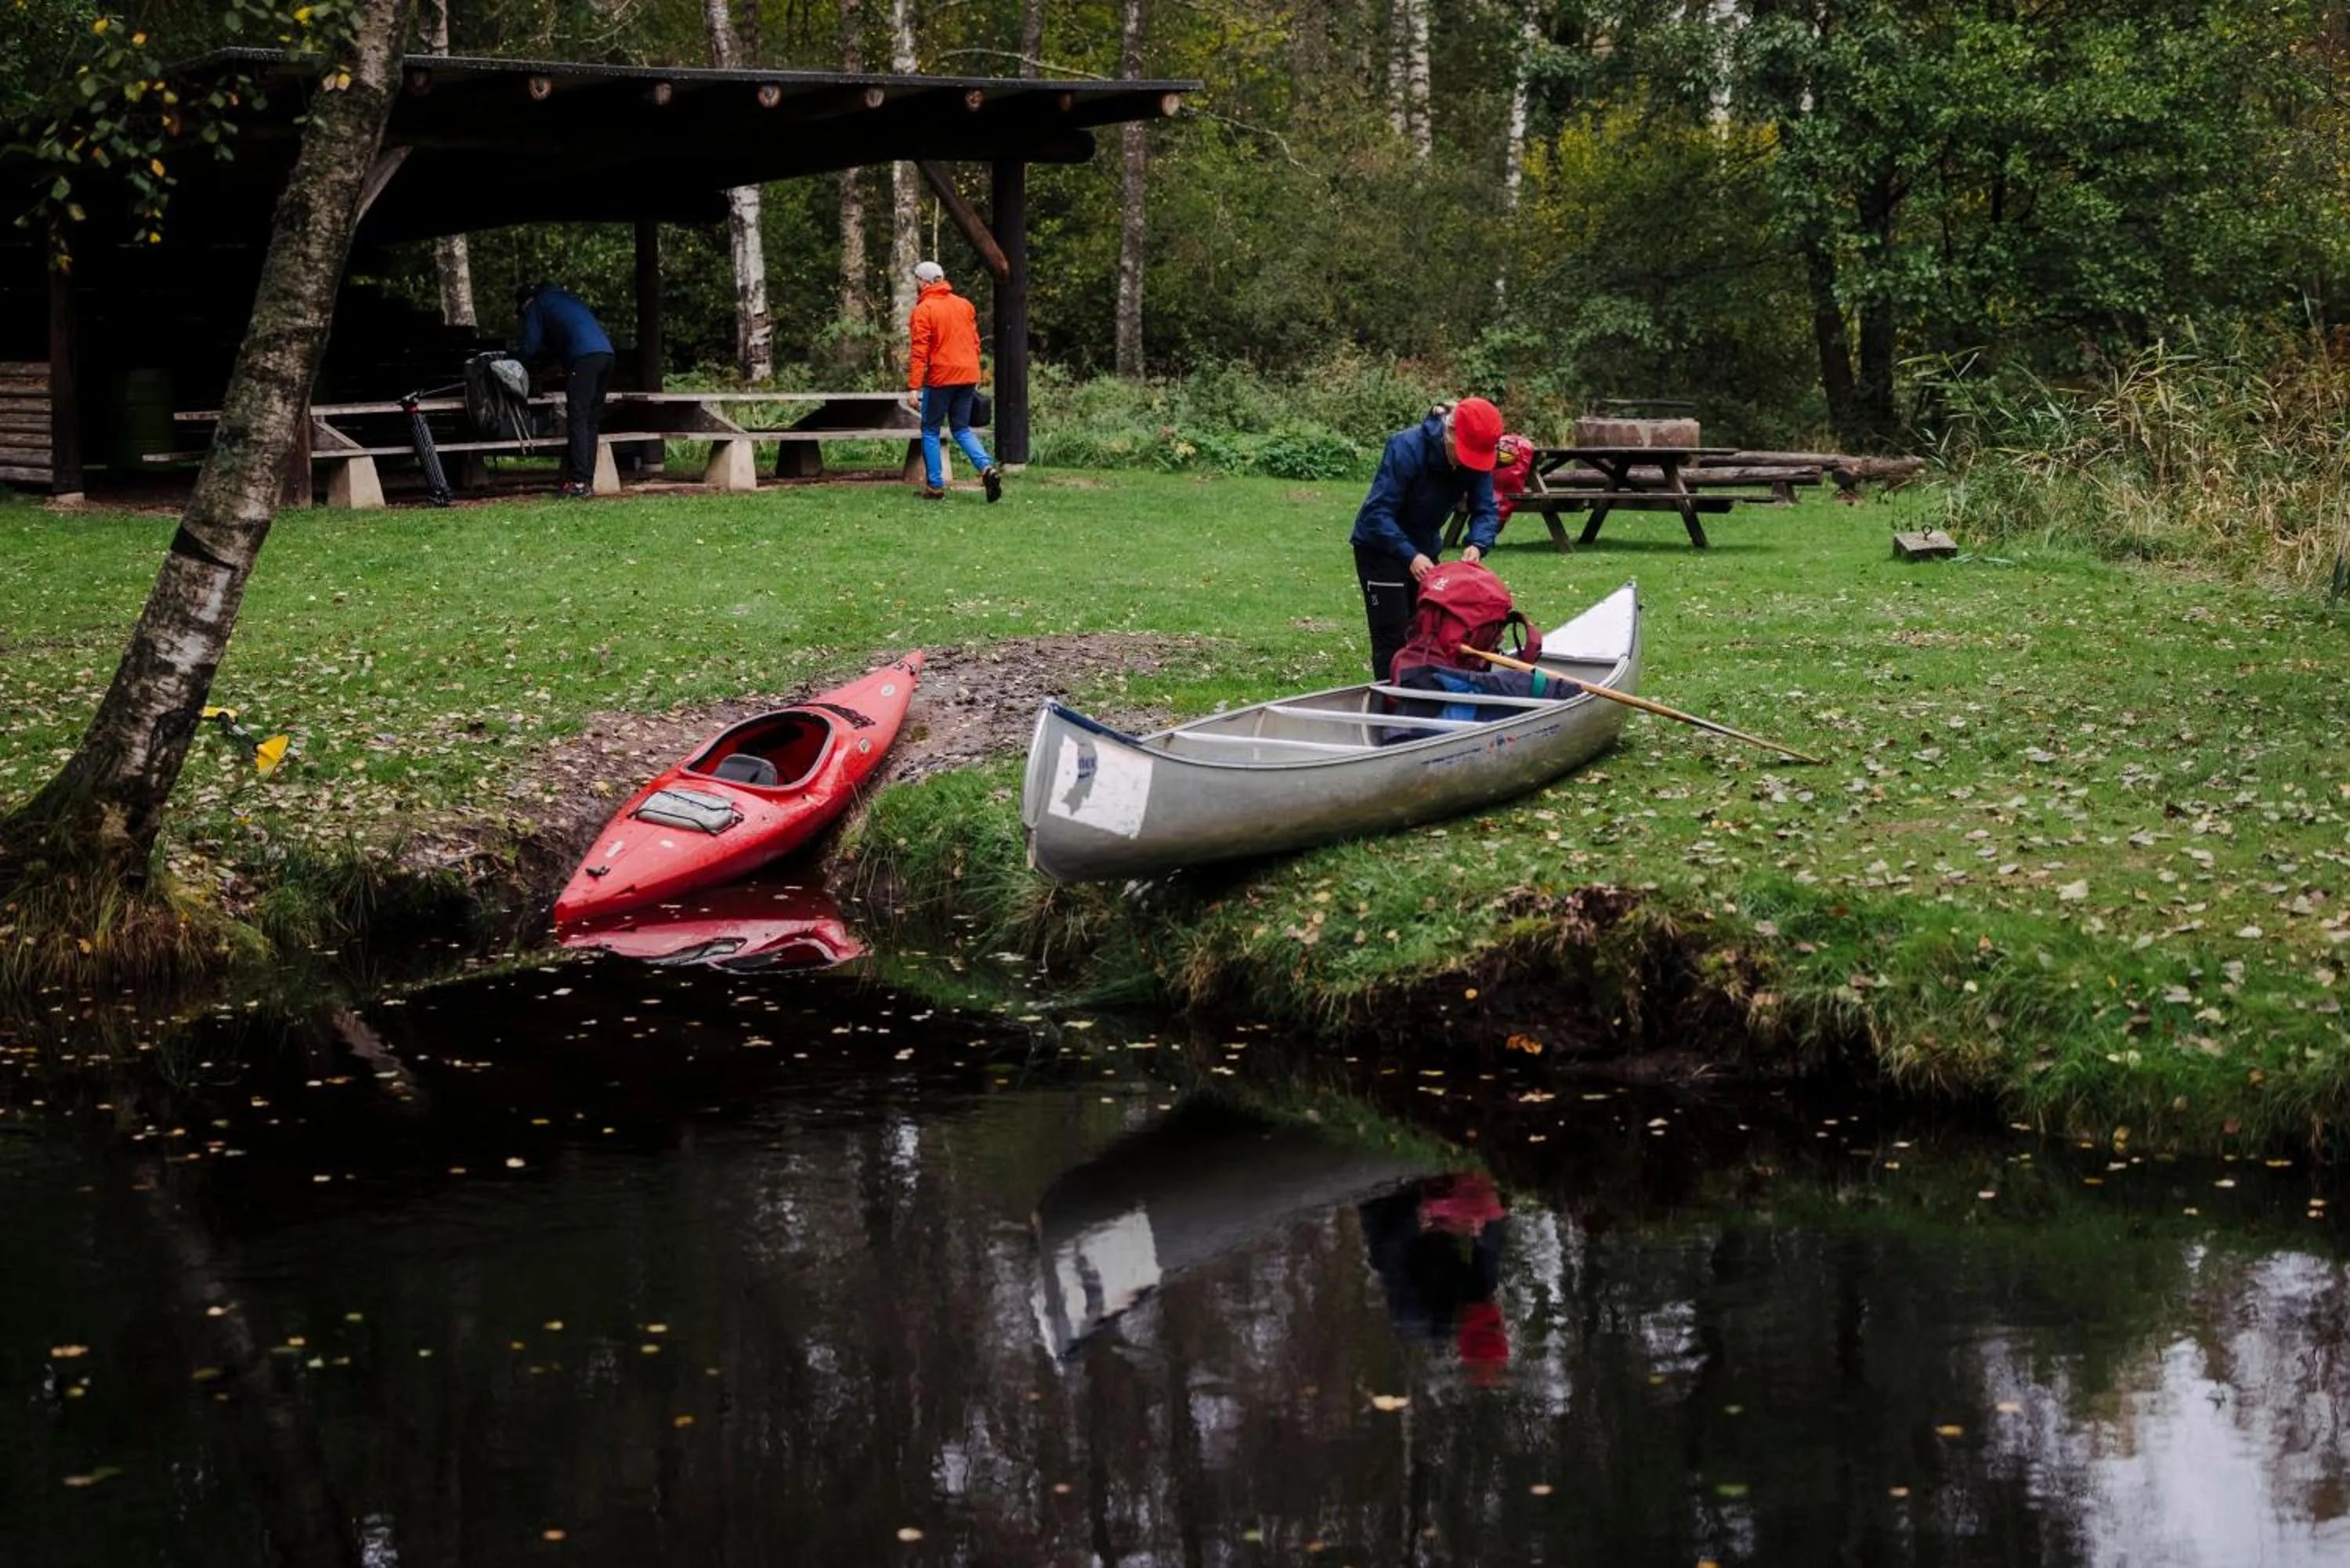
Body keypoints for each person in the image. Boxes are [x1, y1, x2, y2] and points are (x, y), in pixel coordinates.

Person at [1349, 396, 1504, 681]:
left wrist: (1477, 544)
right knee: (1392, 636)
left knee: (1428, 631)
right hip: (1381, 548)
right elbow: (1377, 513)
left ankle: (1423, 698)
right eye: (1465, 452)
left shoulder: (1476, 458)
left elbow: (1487, 509)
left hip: (1425, 547)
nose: (1468, 462)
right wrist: (1409, 555)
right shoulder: (1406, 447)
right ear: (1452, 431)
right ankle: (1391, 703)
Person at [904, 259, 1002, 503]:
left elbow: (919, 352)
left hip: (941, 378)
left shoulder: (924, 310)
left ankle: (935, 487)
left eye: (917, 279)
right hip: (968, 375)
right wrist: (974, 373)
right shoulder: (964, 305)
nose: (916, 283)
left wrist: (914, 387)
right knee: (961, 428)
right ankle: (987, 469)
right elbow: (975, 343)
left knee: (929, 430)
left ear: (924, 281)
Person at [515, 281, 615, 498]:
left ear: (526, 303)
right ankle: (586, 480)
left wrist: (513, 364)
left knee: (578, 418)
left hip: (585, 359)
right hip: (606, 355)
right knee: (591, 421)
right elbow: (568, 340)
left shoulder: (537, 306)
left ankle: (578, 482)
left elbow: (530, 346)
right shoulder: (565, 300)